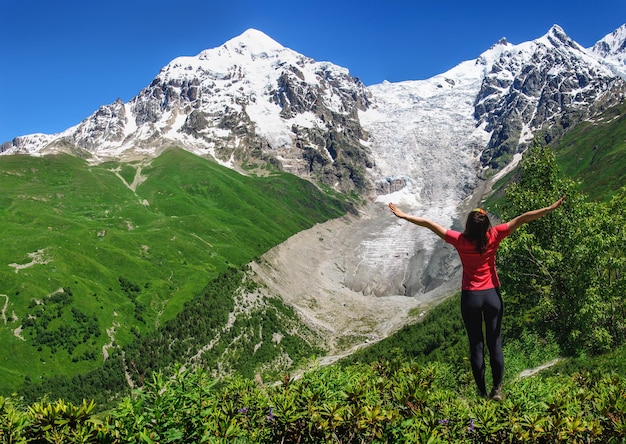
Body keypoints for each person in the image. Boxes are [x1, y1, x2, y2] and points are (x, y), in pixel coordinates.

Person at [389, 196, 565, 400]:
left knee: (476, 345)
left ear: (468, 227)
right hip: (492, 295)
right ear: (487, 225)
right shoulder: (495, 235)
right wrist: (549, 208)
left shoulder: (459, 240)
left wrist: (403, 215)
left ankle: (481, 392)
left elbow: (429, 224)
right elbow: (523, 218)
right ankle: (497, 389)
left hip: (470, 297)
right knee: (495, 343)